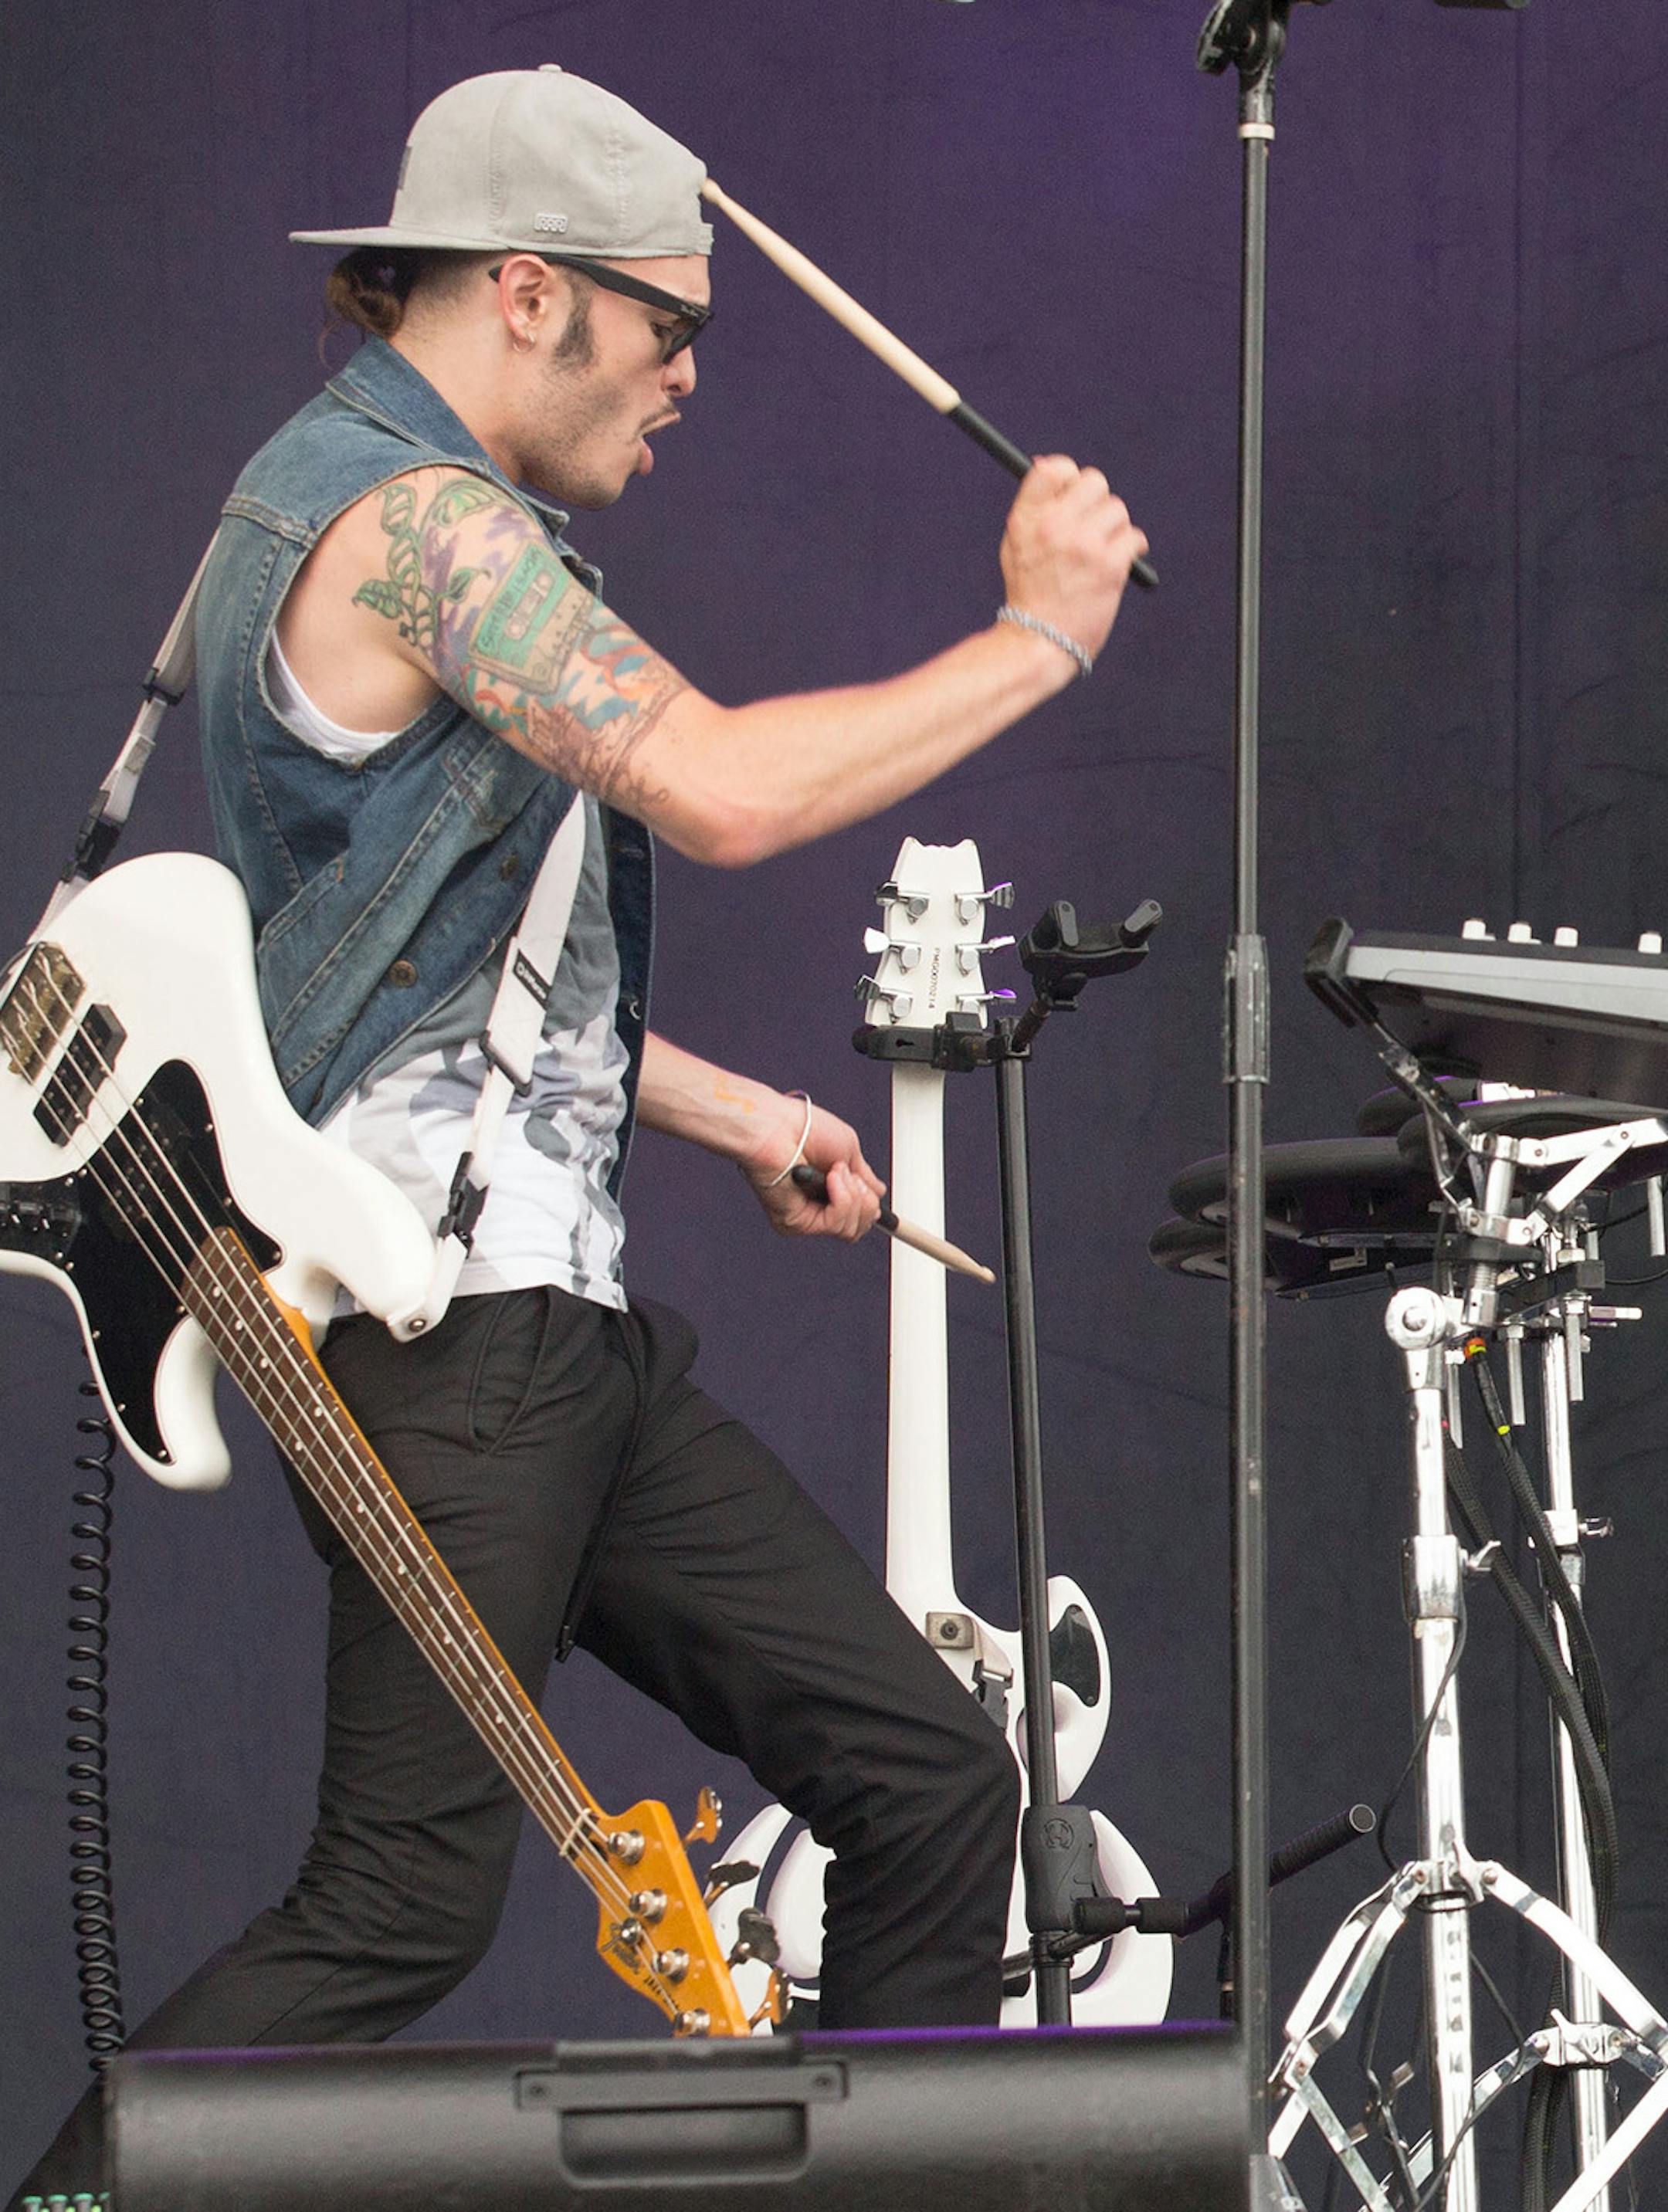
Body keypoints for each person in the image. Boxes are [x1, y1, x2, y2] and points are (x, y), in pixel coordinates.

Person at [10, 63, 1146, 2208]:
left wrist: (728, 1112)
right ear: (526, 291)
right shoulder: (417, 525)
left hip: (554, 1327)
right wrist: (1038, 635)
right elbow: (716, 786)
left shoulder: (362, 508)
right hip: (455, 1346)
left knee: (924, 1777)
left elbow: (406, 976)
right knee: (396, 1914)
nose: (692, 375)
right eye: (665, 324)